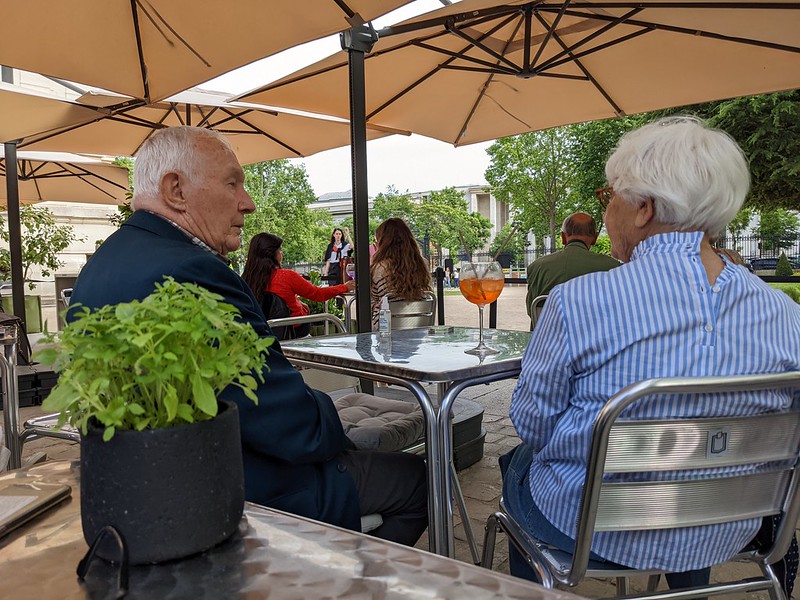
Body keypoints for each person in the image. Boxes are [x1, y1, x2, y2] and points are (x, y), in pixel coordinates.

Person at [69, 126, 428, 547]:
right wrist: (335, 426)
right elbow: (288, 423)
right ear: (176, 189)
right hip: (236, 491)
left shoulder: (103, 262)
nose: (248, 202)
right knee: (416, 481)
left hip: (142, 496)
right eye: (232, 183)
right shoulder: (195, 271)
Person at [505, 117, 800, 592]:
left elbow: (534, 425)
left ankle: (534, 586)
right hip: (727, 526)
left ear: (643, 208)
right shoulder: (785, 314)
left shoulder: (578, 300)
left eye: (610, 198)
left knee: (518, 461)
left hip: (593, 531)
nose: (607, 213)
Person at [242, 232, 354, 337]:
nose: (282, 253)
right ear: (272, 254)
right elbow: (317, 294)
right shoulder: (286, 276)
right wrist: (345, 286)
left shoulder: (247, 279)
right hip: (292, 329)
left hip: (262, 332)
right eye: (280, 249)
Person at [524, 212, 619, 329]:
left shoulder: (536, 267)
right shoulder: (613, 268)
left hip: (547, 343)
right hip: (595, 344)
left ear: (563, 237)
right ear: (595, 238)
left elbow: (532, 311)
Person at [369, 218, 432, 329]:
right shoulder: (422, 264)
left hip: (386, 328)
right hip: (419, 326)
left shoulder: (379, 268)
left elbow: (373, 298)